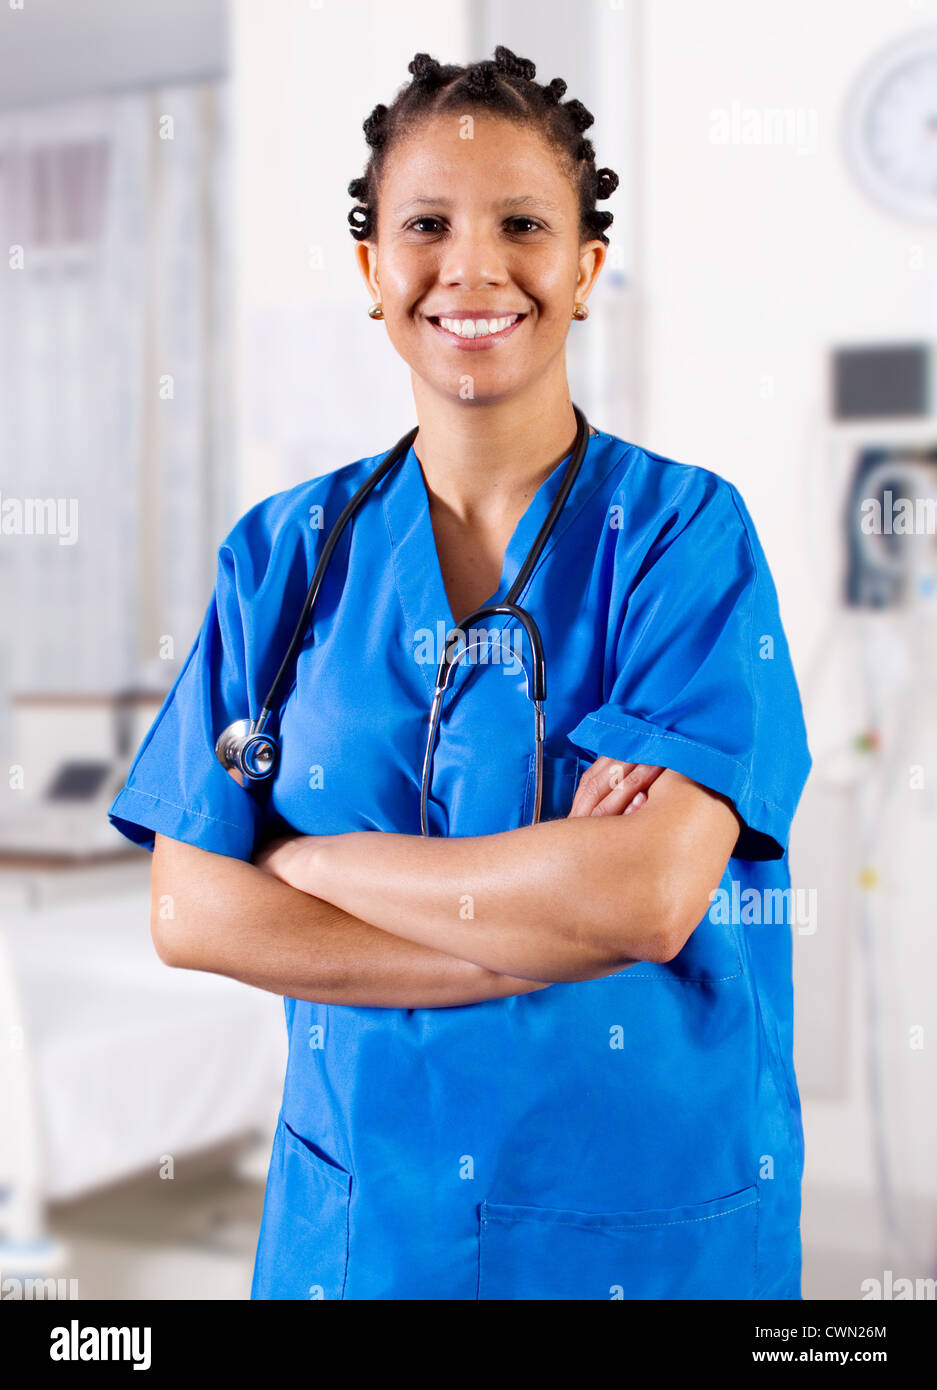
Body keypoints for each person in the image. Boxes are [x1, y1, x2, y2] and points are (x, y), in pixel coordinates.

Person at [108, 46, 812, 1301]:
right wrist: (546, 920)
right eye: (424, 224)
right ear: (375, 270)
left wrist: (300, 859)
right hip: (365, 1231)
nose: (471, 267)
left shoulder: (682, 537)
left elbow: (647, 898)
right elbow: (191, 912)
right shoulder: (282, 558)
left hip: (641, 1220)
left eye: (522, 225)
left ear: (585, 269)